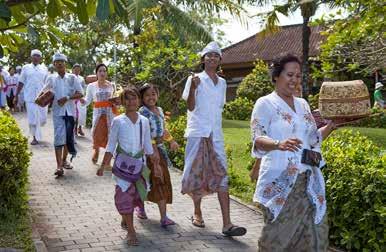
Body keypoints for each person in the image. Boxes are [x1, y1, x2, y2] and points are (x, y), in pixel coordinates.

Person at [250, 54, 336, 251]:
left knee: (315, 235)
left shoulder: (303, 104)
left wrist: (330, 127)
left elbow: (313, 138)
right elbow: (257, 139)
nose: (294, 80)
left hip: (308, 178)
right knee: (277, 239)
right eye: (290, 75)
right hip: (281, 180)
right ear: (276, 76)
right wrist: (279, 143)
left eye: (298, 76)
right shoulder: (265, 103)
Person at [181, 41, 247, 236]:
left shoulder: (223, 83)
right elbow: (190, 107)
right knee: (196, 174)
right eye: (208, 55)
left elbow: (219, 108)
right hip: (198, 133)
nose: (212, 58)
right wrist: (193, 88)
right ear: (203, 59)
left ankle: (227, 224)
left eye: (215, 55)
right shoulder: (194, 79)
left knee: (221, 174)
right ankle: (197, 212)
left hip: (216, 135)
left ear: (220, 60)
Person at [97, 87, 155, 246]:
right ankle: (131, 231)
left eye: (134, 98)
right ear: (122, 102)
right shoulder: (118, 121)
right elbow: (111, 145)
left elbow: (148, 147)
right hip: (122, 167)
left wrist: (155, 165)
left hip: (139, 167)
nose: (131, 101)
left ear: (139, 100)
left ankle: (125, 217)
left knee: (137, 196)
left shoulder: (144, 120)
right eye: (127, 99)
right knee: (123, 196)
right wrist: (104, 165)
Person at [137, 83, 179, 227]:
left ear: (157, 95)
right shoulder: (142, 112)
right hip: (147, 153)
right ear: (142, 98)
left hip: (160, 150)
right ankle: (140, 207)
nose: (151, 97)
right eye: (147, 95)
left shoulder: (160, 110)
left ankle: (163, 217)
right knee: (145, 180)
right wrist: (153, 151)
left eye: (153, 94)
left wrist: (171, 141)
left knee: (161, 181)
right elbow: (144, 134)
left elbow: (163, 130)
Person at [41, 53, 83, 176]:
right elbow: (44, 92)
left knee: (68, 138)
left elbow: (81, 93)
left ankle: (64, 160)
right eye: (57, 62)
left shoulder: (72, 78)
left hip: (70, 112)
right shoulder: (51, 78)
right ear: (54, 65)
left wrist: (67, 98)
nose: (59, 63)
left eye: (61, 61)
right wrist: (40, 99)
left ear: (65, 64)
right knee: (59, 137)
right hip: (58, 113)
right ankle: (59, 166)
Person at [81, 63, 118, 165]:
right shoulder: (91, 86)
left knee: (109, 135)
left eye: (104, 71)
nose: (102, 73)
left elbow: (115, 99)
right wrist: (82, 101)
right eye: (100, 71)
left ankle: (107, 160)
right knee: (96, 134)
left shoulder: (112, 85)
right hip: (98, 114)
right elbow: (87, 100)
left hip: (109, 113)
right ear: (96, 73)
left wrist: (117, 102)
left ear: (106, 73)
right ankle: (96, 151)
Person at [15, 49, 48, 145]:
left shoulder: (44, 68)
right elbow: (21, 82)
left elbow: (47, 83)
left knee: (42, 118)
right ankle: (34, 137)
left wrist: (49, 97)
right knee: (32, 117)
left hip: (41, 97)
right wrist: (16, 95)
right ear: (31, 57)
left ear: (40, 58)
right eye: (34, 55)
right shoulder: (26, 68)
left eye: (38, 55)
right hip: (30, 97)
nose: (36, 57)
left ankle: (37, 132)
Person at [72, 63, 87, 136]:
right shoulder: (70, 77)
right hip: (73, 98)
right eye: (75, 69)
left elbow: (84, 88)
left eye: (78, 70)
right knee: (75, 115)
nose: (77, 71)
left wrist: (82, 97)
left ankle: (80, 128)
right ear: (73, 70)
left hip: (80, 98)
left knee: (82, 114)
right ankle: (74, 129)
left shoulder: (81, 78)